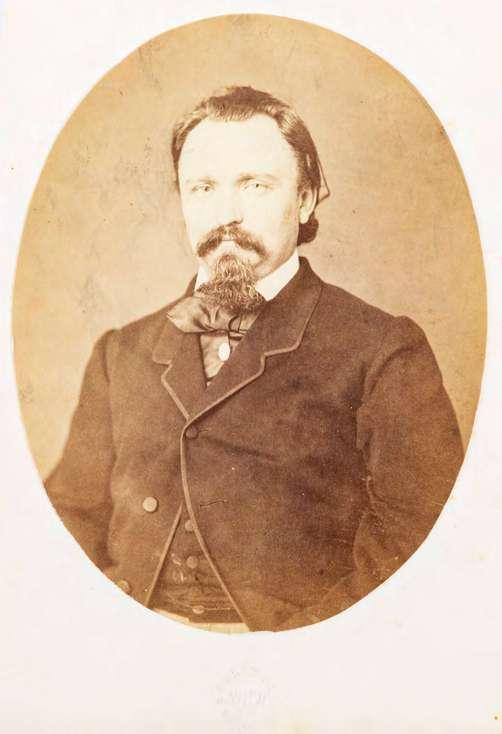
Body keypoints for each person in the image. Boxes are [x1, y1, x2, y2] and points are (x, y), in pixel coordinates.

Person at [45, 86, 464, 632]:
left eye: (255, 185)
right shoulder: (120, 352)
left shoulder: (382, 350)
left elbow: (416, 541)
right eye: (203, 188)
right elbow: (69, 519)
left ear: (306, 199)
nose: (227, 214)